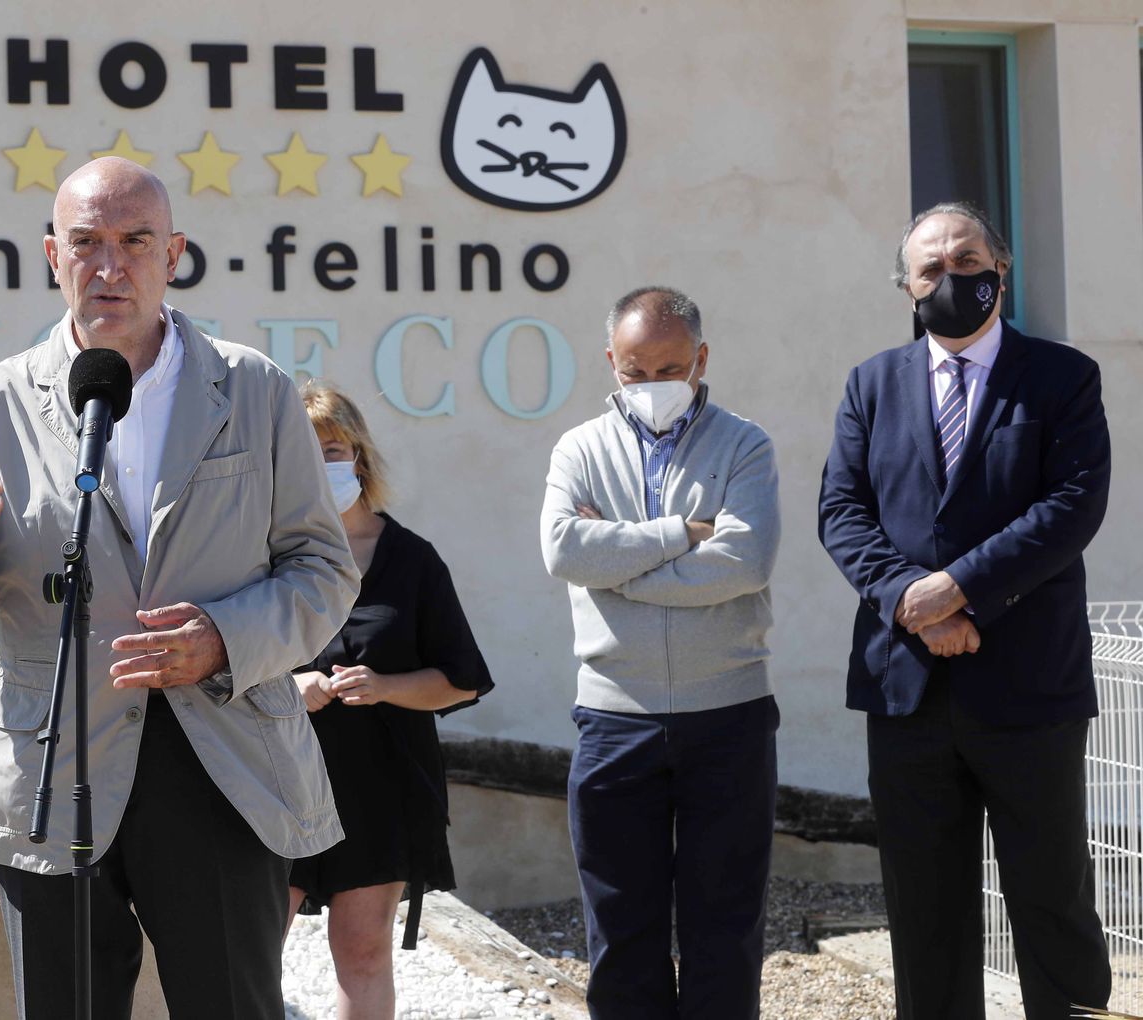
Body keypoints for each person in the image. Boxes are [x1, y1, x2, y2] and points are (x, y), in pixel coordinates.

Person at [0, 157, 360, 1020]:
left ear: (173, 253)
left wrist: (223, 636)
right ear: (51, 257)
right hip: (53, 760)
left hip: (223, 758)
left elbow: (325, 573)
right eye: (86, 243)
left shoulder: (254, 389)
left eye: (135, 241)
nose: (111, 266)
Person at [818, 201, 1111, 1019]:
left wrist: (961, 587)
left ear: (1001, 269)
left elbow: (1072, 505)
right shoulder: (871, 384)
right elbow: (842, 512)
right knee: (924, 911)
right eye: (932, 269)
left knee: (1052, 900)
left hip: (1028, 690)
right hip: (906, 690)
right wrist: (914, 601)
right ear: (907, 287)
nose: (953, 278)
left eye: (969, 261)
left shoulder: (1061, 377)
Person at [539, 286, 781, 1019]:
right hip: (616, 720)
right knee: (619, 931)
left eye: (669, 369)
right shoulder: (578, 448)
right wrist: (683, 532)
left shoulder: (746, 444)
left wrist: (617, 568)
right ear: (610, 361)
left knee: (727, 929)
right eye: (634, 371)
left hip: (729, 714)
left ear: (701, 358)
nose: (650, 387)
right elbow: (562, 549)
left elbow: (745, 563)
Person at [288, 380, 494, 1020]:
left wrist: (385, 688)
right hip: (275, 777)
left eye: (333, 448)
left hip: (383, 785)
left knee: (364, 950)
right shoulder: (260, 557)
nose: (323, 464)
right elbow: (222, 665)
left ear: (359, 456)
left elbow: (462, 677)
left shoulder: (413, 560)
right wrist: (290, 688)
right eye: (304, 452)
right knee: (246, 947)